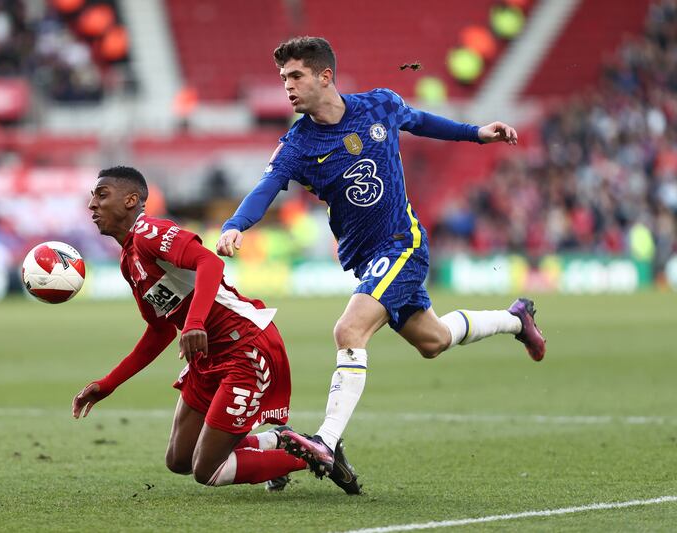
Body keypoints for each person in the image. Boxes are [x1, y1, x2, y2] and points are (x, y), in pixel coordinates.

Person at [216, 37, 546, 481]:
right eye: (283, 79)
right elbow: (267, 187)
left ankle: (326, 442)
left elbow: (420, 120)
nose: (287, 88)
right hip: (364, 257)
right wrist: (236, 224)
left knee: (349, 329)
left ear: (324, 76)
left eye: (295, 77)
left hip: (401, 243)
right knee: (434, 341)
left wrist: (475, 133)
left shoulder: (380, 106)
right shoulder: (297, 144)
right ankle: (516, 319)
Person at [71, 166, 361, 494]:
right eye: (92, 196)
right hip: (207, 356)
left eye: (102, 194)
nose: (92, 204)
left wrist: (194, 324)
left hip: (245, 346)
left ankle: (318, 454)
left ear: (131, 200)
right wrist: (108, 384)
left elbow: (210, 262)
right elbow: (159, 331)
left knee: (207, 470)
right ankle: (277, 442)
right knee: (179, 460)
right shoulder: (130, 261)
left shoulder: (150, 232)